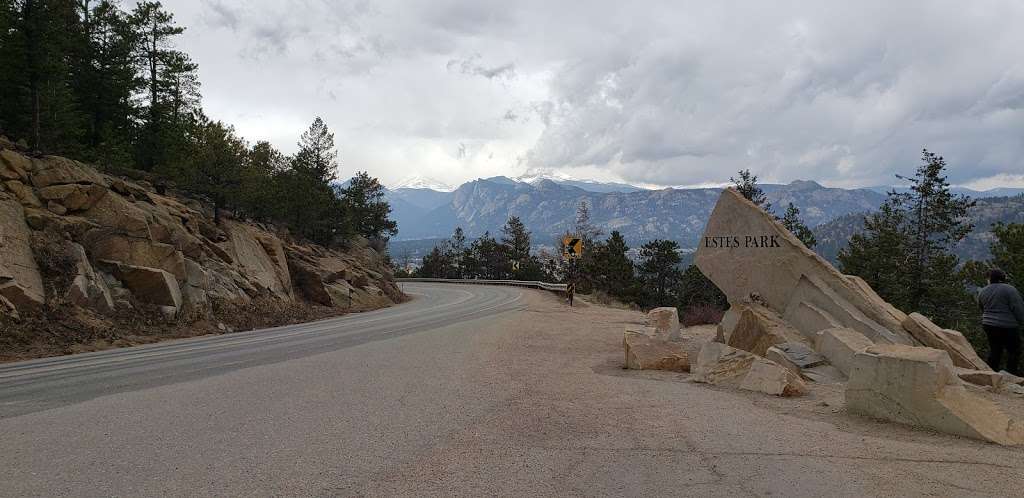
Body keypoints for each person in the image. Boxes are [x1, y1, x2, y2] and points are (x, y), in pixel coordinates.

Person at [978, 269, 1024, 375]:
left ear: (990, 278)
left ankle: (990, 374)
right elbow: (1018, 308)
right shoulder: (1009, 289)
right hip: (1008, 325)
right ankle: (1011, 374)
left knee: (995, 350)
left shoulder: (983, 291)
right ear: (1002, 278)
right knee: (1014, 350)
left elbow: (981, 306)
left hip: (988, 324)